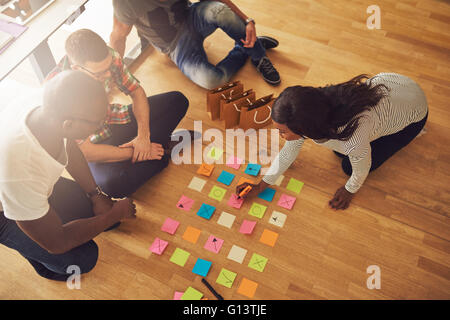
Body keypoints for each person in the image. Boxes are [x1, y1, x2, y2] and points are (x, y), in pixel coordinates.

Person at [0, 71, 137, 281]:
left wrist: (95, 194)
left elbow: (70, 145)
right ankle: (42, 265)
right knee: (83, 258)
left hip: (34, 187)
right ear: (68, 125)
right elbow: (57, 242)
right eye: (98, 122)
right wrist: (113, 214)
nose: (104, 125)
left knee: (103, 216)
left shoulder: (49, 108)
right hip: (7, 211)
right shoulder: (21, 169)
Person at [236, 73, 428, 210]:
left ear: (305, 129)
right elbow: (290, 149)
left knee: (349, 167)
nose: (279, 135)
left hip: (414, 115)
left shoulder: (353, 137)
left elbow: (362, 167)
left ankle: (410, 132)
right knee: (339, 151)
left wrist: (349, 189)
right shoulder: (314, 105)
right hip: (397, 84)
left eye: (282, 131)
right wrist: (263, 184)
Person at [46, 29, 191, 198]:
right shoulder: (55, 93)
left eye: (108, 68)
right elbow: (85, 151)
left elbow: (136, 92)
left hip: (114, 119)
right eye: (100, 73)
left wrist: (143, 137)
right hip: (93, 143)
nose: (108, 74)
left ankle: (147, 152)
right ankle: (159, 153)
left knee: (177, 101)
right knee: (113, 185)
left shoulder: (108, 58)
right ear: (77, 68)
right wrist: (137, 151)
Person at [110, 0, 281, 89]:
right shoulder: (126, 3)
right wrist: (114, 73)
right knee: (212, 81)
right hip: (174, 45)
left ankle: (258, 55)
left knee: (220, 12)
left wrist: (247, 20)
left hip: (193, 16)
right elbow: (118, 37)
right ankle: (245, 48)